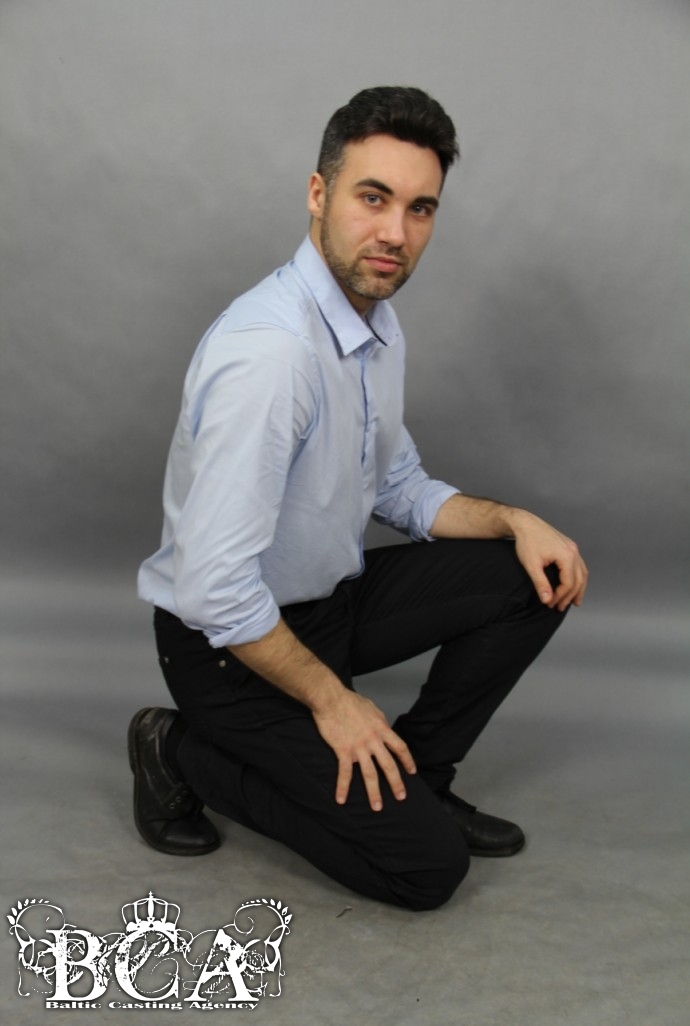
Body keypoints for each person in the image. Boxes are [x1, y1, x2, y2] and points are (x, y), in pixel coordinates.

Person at [132, 86, 588, 912]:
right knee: (426, 870)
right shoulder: (272, 355)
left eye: (420, 209)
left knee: (533, 575)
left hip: (328, 608)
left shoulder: (373, 321)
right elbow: (214, 591)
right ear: (319, 194)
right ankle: (177, 749)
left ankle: (421, 780)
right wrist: (334, 702)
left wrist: (517, 522)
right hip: (227, 651)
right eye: (372, 199)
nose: (395, 234)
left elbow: (400, 486)